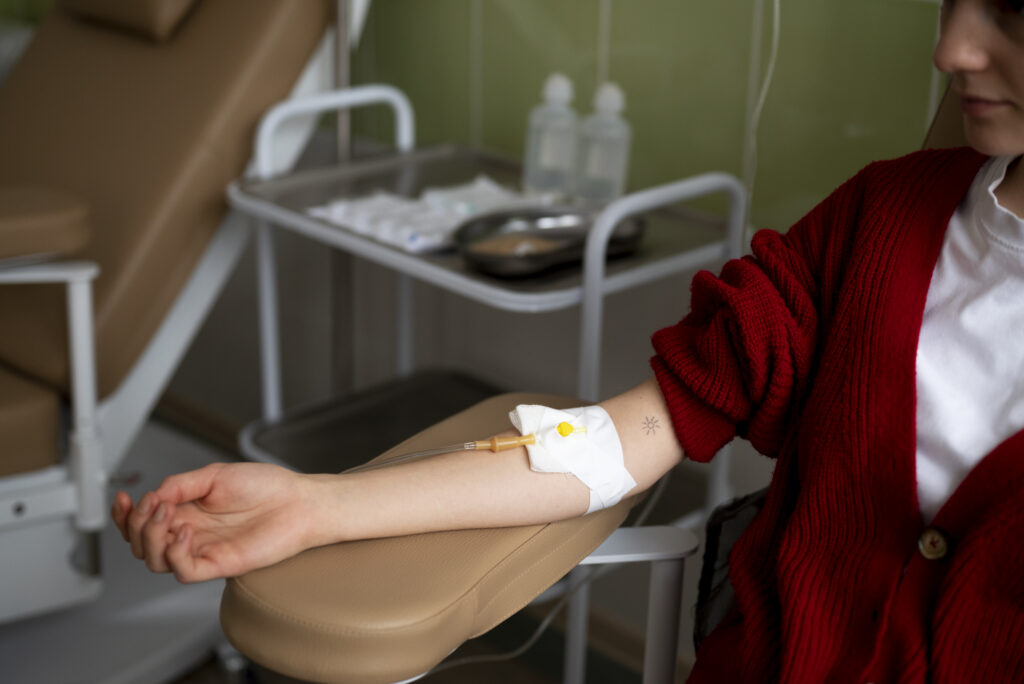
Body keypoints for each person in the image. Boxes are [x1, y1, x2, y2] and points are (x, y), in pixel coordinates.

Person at [113, 0, 1024, 680]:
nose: (951, 48)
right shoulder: (878, 224)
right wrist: (319, 505)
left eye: (1010, 11)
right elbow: (618, 440)